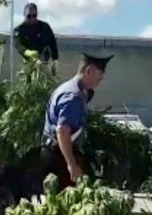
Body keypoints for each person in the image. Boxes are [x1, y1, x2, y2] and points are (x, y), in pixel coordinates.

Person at [39, 52, 113, 189]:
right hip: (60, 157)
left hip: (56, 153)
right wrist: (71, 164)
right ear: (89, 70)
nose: (102, 77)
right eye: (100, 72)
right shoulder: (73, 96)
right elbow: (62, 131)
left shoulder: (69, 89)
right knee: (67, 203)